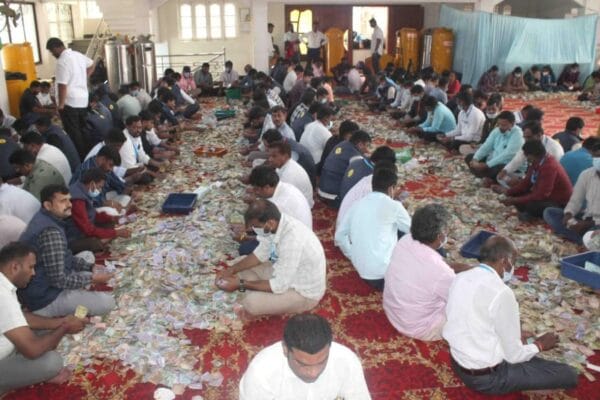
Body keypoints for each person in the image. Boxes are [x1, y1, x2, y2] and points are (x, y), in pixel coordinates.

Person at [443, 235, 578, 395]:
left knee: (531, 358)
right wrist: (540, 345)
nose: (513, 266)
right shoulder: (501, 292)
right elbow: (513, 356)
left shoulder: (461, 277)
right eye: (514, 261)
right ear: (505, 261)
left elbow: (476, 320)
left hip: (458, 362)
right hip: (487, 378)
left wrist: (515, 335)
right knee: (569, 374)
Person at [0, 242, 88, 395]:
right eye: (31, 267)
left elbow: (22, 317)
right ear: (15, 267)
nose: (33, 273)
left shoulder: (4, 284)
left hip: (10, 346)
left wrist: (61, 322)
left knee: (47, 332)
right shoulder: (2, 295)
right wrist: (65, 327)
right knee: (52, 362)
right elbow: (32, 351)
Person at [215, 199, 326, 318]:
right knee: (240, 262)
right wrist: (231, 270)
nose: (253, 230)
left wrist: (241, 284)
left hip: (302, 292)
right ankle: (256, 288)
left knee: (251, 303)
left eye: (256, 226)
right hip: (284, 270)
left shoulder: (292, 241)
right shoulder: (275, 225)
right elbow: (260, 254)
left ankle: (254, 290)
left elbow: (279, 285)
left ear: (270, 223)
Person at [18, 184, 116, 317]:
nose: (69, 205)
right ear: (48, 205)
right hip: (47, 297)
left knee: (87, 256)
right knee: (108, 303)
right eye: (63, 201)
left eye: (69, 200)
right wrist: (92, 278)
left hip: (49, 281)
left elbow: (66, 256)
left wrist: (91, 267)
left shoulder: (47, 218)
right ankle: (60, 306)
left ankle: (80, 287)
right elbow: (58, 280)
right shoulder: (51, 232)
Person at [239, 313, 371, 399]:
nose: (313, 373)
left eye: (321, 362)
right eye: (302, 364)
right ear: (285, 349)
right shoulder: (261, 373)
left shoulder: (346, 361)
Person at [383, 204, 457, 340]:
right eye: (446, 233)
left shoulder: (405, 240)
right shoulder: (441, 272)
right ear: (439, 237)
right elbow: (458, 299)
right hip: (418, 327)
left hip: (393, 312)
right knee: (469, 310)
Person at [335, 167, 411, 290]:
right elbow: (414, 232)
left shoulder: (357, 204)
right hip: (384, 274)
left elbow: (339, 236)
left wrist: (352, 254)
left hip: (360, 268)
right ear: (391, 189)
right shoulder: (394, 206)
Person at [493, 141, 572, 221]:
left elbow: (541, 195)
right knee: (517, 194)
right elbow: (526, 183)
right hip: (544, 196)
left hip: (557, 202)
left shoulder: (549, 166)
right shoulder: (537, 161)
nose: (526, 158)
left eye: (527, 155)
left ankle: (531, 215)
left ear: (533, 155)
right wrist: (508, 192)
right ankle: (527, 212)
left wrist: (515, 200)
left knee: (531, 205)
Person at [46, 37, 95, 159]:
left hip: (70, 103)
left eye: (52, 51)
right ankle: (89, 155)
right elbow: (92, 64)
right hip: (82, 100)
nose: (52, 54)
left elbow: (62, 86)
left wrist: (61, 105)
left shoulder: (62, 61)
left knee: (74, 134)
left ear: (56, 47)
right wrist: (84, 76)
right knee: (83, 130)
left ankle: (80, 159)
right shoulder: (78, 55)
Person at [543, 143, 600, 244]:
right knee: (550, 212)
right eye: (596, 156)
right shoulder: (586, 174)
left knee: (593, 233)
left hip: (596, 224)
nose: (598, 159)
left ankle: (582, 240)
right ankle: (582, 239)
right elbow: (575, 200)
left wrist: (587, 224)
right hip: (586, 217)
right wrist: (568, 214)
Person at [67, 168, 131, 253]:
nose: (100, 190)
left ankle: (104, 240)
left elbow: (92, 214)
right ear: (92, 183)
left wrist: (112, 218)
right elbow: (88, 229)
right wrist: (116, 233)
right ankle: (101, 244)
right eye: (99, 187)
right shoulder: (78, 199)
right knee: (94, 243)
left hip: (82, 230)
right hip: (73, 238)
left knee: (109, 223)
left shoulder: (82, 190)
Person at [496, 121, 564, 187]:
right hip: (533, 176)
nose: (526, 140)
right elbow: (517, 160)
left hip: (548, 181)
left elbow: (549, 175)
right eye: (524, 137)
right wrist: (504, 171)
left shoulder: (554, 149)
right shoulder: (529, 143)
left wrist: (522, 181)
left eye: (528, 137)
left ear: (539, 135)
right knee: (502, 177)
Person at [248, 165, 312, 229]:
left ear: (267, 187)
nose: (254, 192)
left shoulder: (279, 204)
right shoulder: (285, 186)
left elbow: (265, 229)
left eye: (256, 189)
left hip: (296, 232)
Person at [465, 111, 524, 181]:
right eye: (499, 124)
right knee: (469, 158)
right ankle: (487, 177)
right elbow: (486, 146)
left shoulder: (518, 134)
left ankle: (486, 176)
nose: (500, 127)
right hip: (493, 161)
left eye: (504, 125)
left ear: (513, 124)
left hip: (508, 164)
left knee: (497, 169)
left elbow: (507, 155)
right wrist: (475, 159)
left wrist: (487, 165)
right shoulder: (497, 131)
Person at [318, 130, 371, 207]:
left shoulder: (343, 144)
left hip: (322, 187)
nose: (367, 149)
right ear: (360, 144)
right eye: (367, 146)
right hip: (333, 196)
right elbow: (358, 177)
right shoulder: (355, 157)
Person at [267, 141, 314, 208]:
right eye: (269, 156)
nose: (270, 159)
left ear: (285, 156)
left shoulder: (289, 174)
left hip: (303, 206)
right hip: (295, 198)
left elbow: (281, 197)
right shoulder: (284, 164)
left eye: (274, 156)